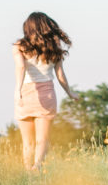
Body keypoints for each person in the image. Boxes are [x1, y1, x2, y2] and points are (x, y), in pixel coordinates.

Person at [12, 11, 78, 170]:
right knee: (42, 140)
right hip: (47, 94)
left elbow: (21, 67)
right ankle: (37, 166)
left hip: (26, 93)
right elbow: (60, 74)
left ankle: (28, 171)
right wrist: (70, 93)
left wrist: (17, 90)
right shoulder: (54, 47)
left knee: (27, 142)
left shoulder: (19, 46)